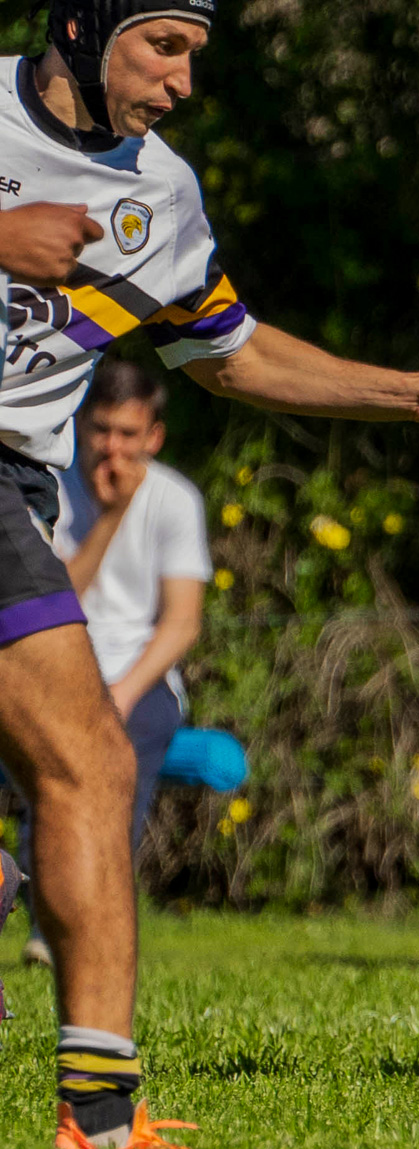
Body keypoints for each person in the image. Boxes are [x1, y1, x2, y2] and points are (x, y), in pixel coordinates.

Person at [0, 1, 419, 1149]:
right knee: (86, 762)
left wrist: (411, 391)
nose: (185, 80)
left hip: (12, 492)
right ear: (82, 29)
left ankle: (96, 1117)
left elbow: (229, 352)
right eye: (163, 46)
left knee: (86, 763)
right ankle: (94, 1116)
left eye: (197, 53)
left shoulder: (163, 198)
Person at [13, 359, 209, 968]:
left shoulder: (176, 499)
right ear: (80, 425)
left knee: (122, 747)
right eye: (101, 430)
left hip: (141, 678)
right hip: (54, 662)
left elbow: (181, 623)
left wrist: (122, 692)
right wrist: (110, 518)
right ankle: (50, 905)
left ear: (153, 436)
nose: (112, 448)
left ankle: (68, 917)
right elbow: (52, 602)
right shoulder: (49, 492)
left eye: (128, 434)